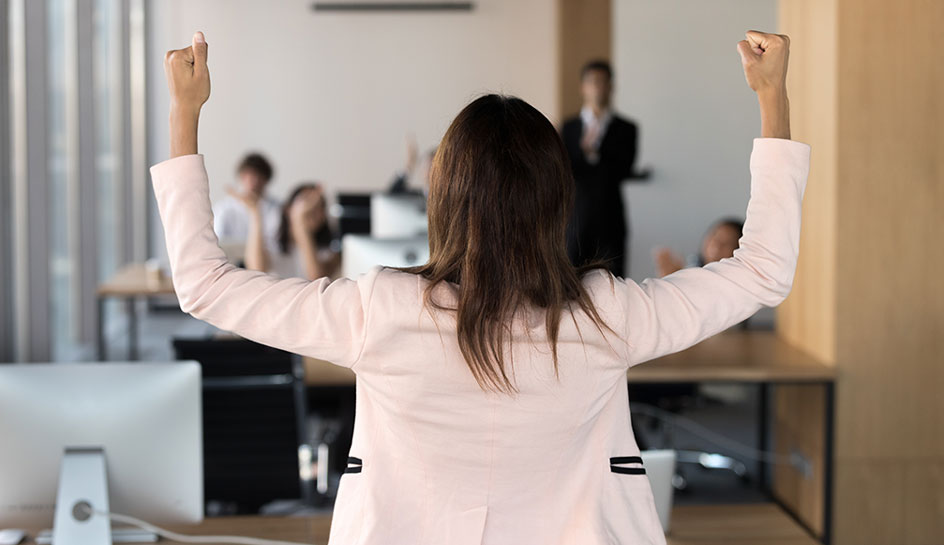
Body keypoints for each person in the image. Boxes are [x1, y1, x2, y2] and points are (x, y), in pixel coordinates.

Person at [155, 30, 805, 545]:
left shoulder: (378, 310)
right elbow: (762, 270)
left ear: (444, 198)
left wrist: (185, 116)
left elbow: (205, 285)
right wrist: (772, 98)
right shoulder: (606, 315)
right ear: (557, 200)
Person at [561, 60, 641, 277]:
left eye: (602, 82)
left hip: (610, 216)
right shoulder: (569, 128)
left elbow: (624, 168)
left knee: (613, 279)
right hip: (576, 216)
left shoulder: (627, 128)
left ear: (611, 86)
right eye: (592, 81)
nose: (597, 87)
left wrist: (594, 152)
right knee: (570, 278)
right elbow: (563, 170)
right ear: (583, 87)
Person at [230, 182, 341, 280]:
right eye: (305, 202)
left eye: (318, 206)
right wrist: (255, 213)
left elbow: (317, 278)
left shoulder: (332, 251)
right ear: (288, 209)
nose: (309, 209)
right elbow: (256, 269)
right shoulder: (274, 243)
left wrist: (300, 224)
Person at [211, 152, 281, 260]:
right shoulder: (224, 208)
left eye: (259, 176)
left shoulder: (276, 208)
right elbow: (217, 243)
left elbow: (274, 248)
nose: (254, 182)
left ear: (266, 180)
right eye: (250, 176)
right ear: (241, 177)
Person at [654, 218, 746, 277]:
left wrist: (676, 280)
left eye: (727, 242)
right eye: (715, 236)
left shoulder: (731, 281)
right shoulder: (693, 266)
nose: (717, 244)